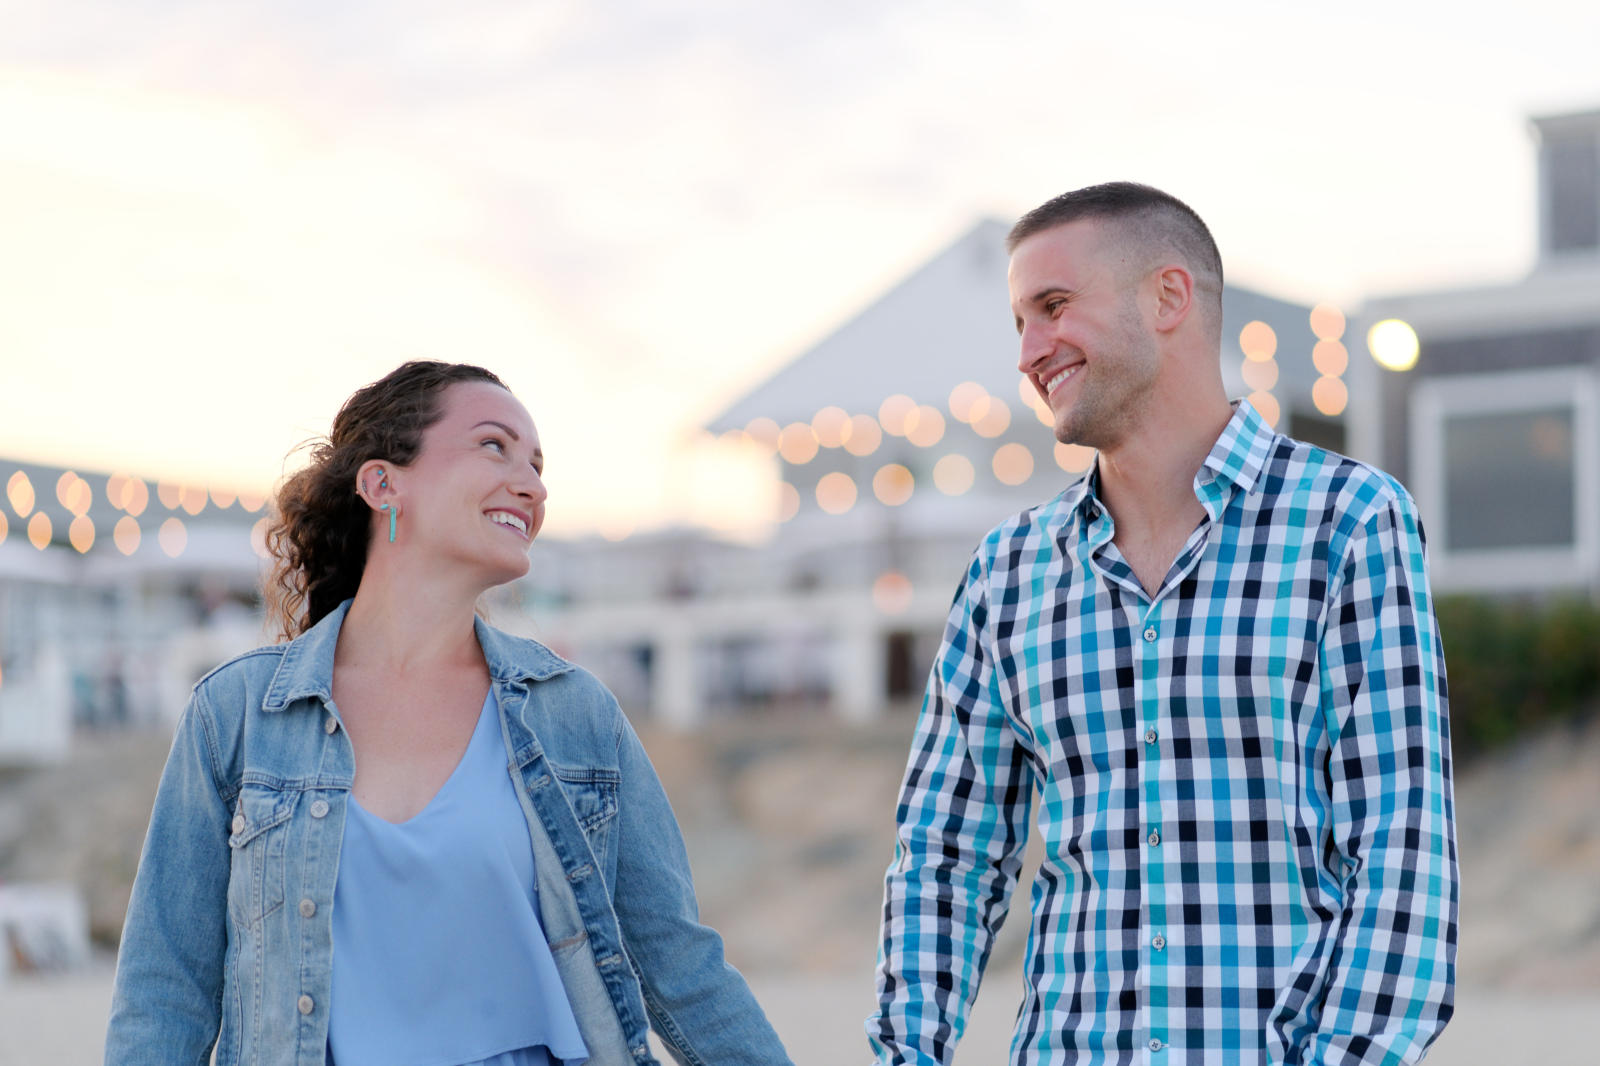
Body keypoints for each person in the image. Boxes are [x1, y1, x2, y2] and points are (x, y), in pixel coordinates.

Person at [868, 183, 1457, 1064]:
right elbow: (943, 861)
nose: (1030, 351)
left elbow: (1403, 857)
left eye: (1054, 307)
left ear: (1169, 297)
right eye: (1019, 323)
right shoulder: (1008, 573)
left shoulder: (1350, 523)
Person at [106, 361, 793, 1066]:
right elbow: (166, 993)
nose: (532, 484)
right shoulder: (239, 715)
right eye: (494, 446)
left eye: (538, 464)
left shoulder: (575, 714)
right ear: (382, 484)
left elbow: (682, 971)